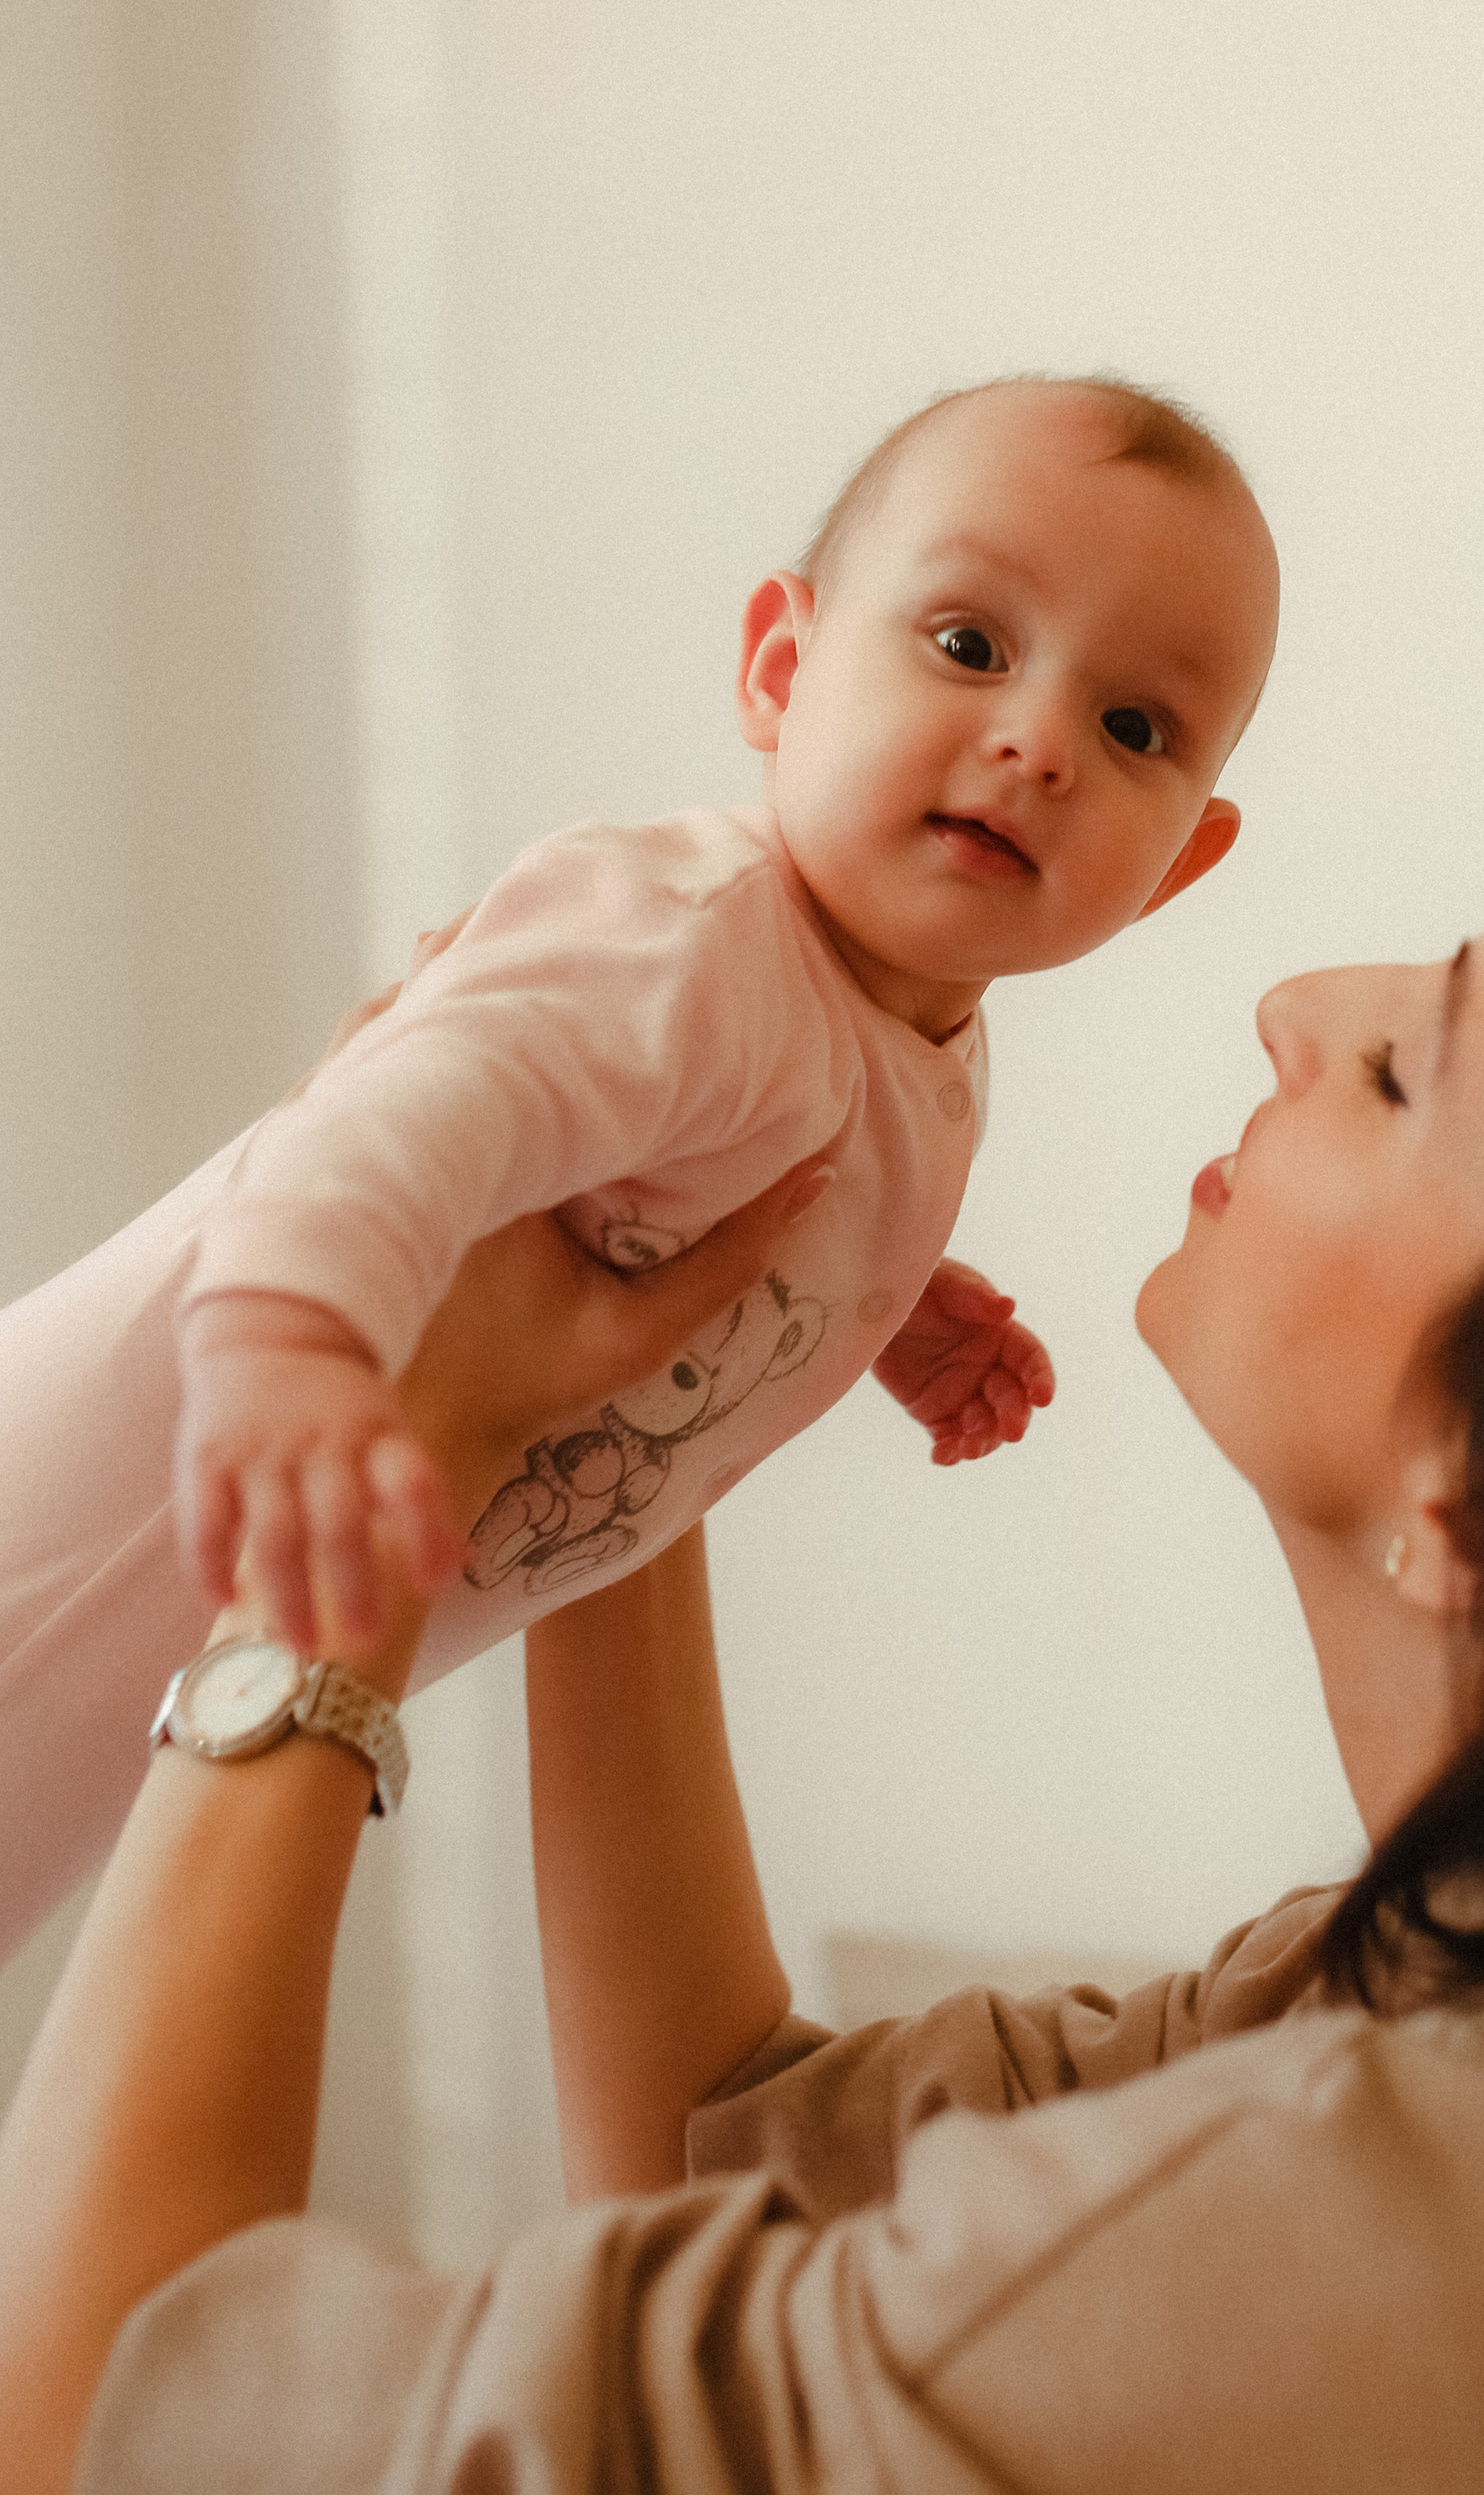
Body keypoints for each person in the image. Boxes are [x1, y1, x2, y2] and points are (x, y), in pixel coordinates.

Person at [4, 839, 1484, 2493]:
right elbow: (724, 2141)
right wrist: (642, 1384)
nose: (1292, 1006)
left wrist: (356, 1520)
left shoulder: (1356, 2247)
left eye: (1398, 1071)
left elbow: (89, 2425)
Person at [0, 375, 1281, 1958]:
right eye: (967, 646)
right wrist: (291, 1344)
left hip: (183, 1658)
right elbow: (397, 1120)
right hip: (94, 1525)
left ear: (1179, 867)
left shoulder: (905, 1027)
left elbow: (697, 1194)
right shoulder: (684, 945)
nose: (1036, 744)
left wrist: (875, 1306)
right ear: (781, 666)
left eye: (1132, 726)